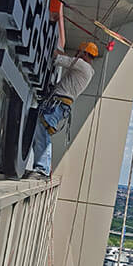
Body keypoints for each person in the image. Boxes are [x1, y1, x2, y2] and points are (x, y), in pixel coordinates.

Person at [29, 41, 99, 177]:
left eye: (78, 53)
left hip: (58, 103)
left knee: (43, 129)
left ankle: (43, 168)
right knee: (41, 129)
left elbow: (58, 58)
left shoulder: (81, 65)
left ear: (84, 53)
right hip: (60, 104)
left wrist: (50, 46)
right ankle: (44, 167)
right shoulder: (86, 69)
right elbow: (67, 58)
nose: (76, 55)